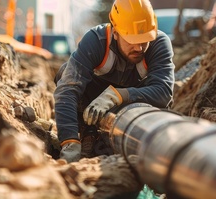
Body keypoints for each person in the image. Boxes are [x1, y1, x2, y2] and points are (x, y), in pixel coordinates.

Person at [54, 0, 175, 163]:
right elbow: (67, 90)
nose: (139, 48)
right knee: (65, 73)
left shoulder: (159, 43)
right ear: (115, 32)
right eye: (132, 40)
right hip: (94, 100)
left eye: (144, 39)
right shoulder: (96, 41)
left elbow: (164, 92)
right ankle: (87, 132)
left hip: (135, 106)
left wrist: (120, 95)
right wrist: (69, 142)